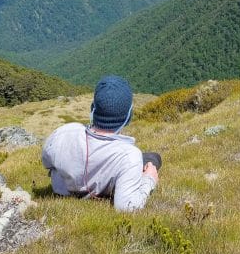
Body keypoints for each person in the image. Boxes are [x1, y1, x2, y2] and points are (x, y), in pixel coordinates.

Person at [41, 75, 160, 211]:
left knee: (151, 157)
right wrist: (149, 179)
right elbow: (126, 207)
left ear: (93, 108)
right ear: (129, 117)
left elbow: (47, 162)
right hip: (118, 174)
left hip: (62, 191)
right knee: (153, 159)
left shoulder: (63, 133)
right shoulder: (129, 156)